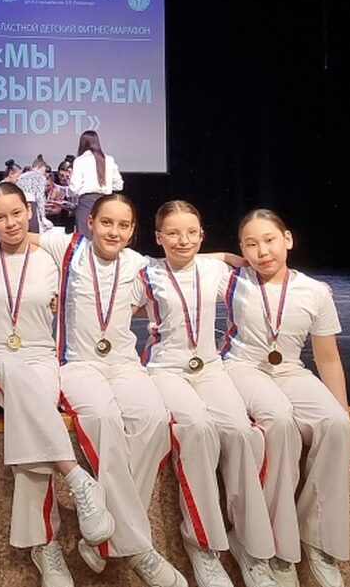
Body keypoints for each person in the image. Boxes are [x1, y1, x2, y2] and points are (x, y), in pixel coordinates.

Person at [0, 184, 115, 587]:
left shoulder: (51, 256)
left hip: (40, 356)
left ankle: (45, 547)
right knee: (19, 383)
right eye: (0, 217)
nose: (10, 223)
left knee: (33, 415)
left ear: (29, 212)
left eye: (17, 213)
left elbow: (99, 255)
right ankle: (77, 477)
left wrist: (226, 256)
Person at [34, 194, 186, 587]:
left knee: (153, 420)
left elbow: (187, 261)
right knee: (104, 418)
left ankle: (104, 539)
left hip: (124, 363)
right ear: (90, 223)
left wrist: (234, 259)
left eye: (123, 225)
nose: (114, 232)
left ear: (133, 231)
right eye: (106, 223)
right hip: (77, 364)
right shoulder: (66, 248)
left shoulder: (138, 265)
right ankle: (138, 550)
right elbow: (15, 237)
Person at [133, 201, 276, 587]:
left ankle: (249, 545)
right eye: (173, 233)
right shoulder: (145, 272)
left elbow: (256, 265)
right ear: (158, 237)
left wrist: (304, 282)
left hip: (210, 369)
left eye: (191, 233)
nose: (183, 240)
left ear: (202, 235)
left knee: (242, 433)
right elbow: (117, 305)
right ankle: (203, 546)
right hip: (165, 370)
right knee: (196, 428)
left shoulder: (215, 269)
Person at [222, 209, 350, 587]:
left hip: (290, 370)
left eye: (269, 240)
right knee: (279, 420)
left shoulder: (315, 291)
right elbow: (187, 259)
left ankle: (317, 538)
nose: (262, 251)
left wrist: (342, 412)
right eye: (251, 244)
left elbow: (328, 358)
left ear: (288, 239)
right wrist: (227, 258)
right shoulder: (233, 279)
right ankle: (275, 546)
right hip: (243, 369)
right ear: (241, 250)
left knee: (336, 425)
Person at [68, 131, 123, 233]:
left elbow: (74, 188)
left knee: (85, 237)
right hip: (106, 202)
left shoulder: (80, 160)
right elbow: (119, 185)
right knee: (104, 234)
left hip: (87, 203)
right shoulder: (109, 159)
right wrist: (106, 186)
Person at [14, 156, 53, 233]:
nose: (45, 173)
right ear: (40, 167)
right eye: (44, 170)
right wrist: (43, 217)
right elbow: (40, 197)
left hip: (18, 203)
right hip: (31, 204)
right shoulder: (40, 177)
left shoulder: (21, 177)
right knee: (34, 231)